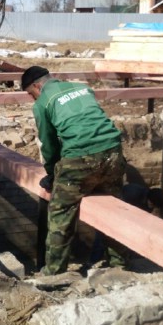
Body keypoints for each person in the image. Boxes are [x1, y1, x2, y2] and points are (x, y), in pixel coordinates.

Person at [21, 65, 128, 275]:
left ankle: (54, 273)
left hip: (80, 158)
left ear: (37, 86)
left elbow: (48, 143)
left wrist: (52, 174)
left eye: (30, 94)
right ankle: (119, 264)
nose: (32, 98)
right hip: (114, 152)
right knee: (114, 209)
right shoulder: (82, 88)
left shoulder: (42, 103)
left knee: (61, 213)